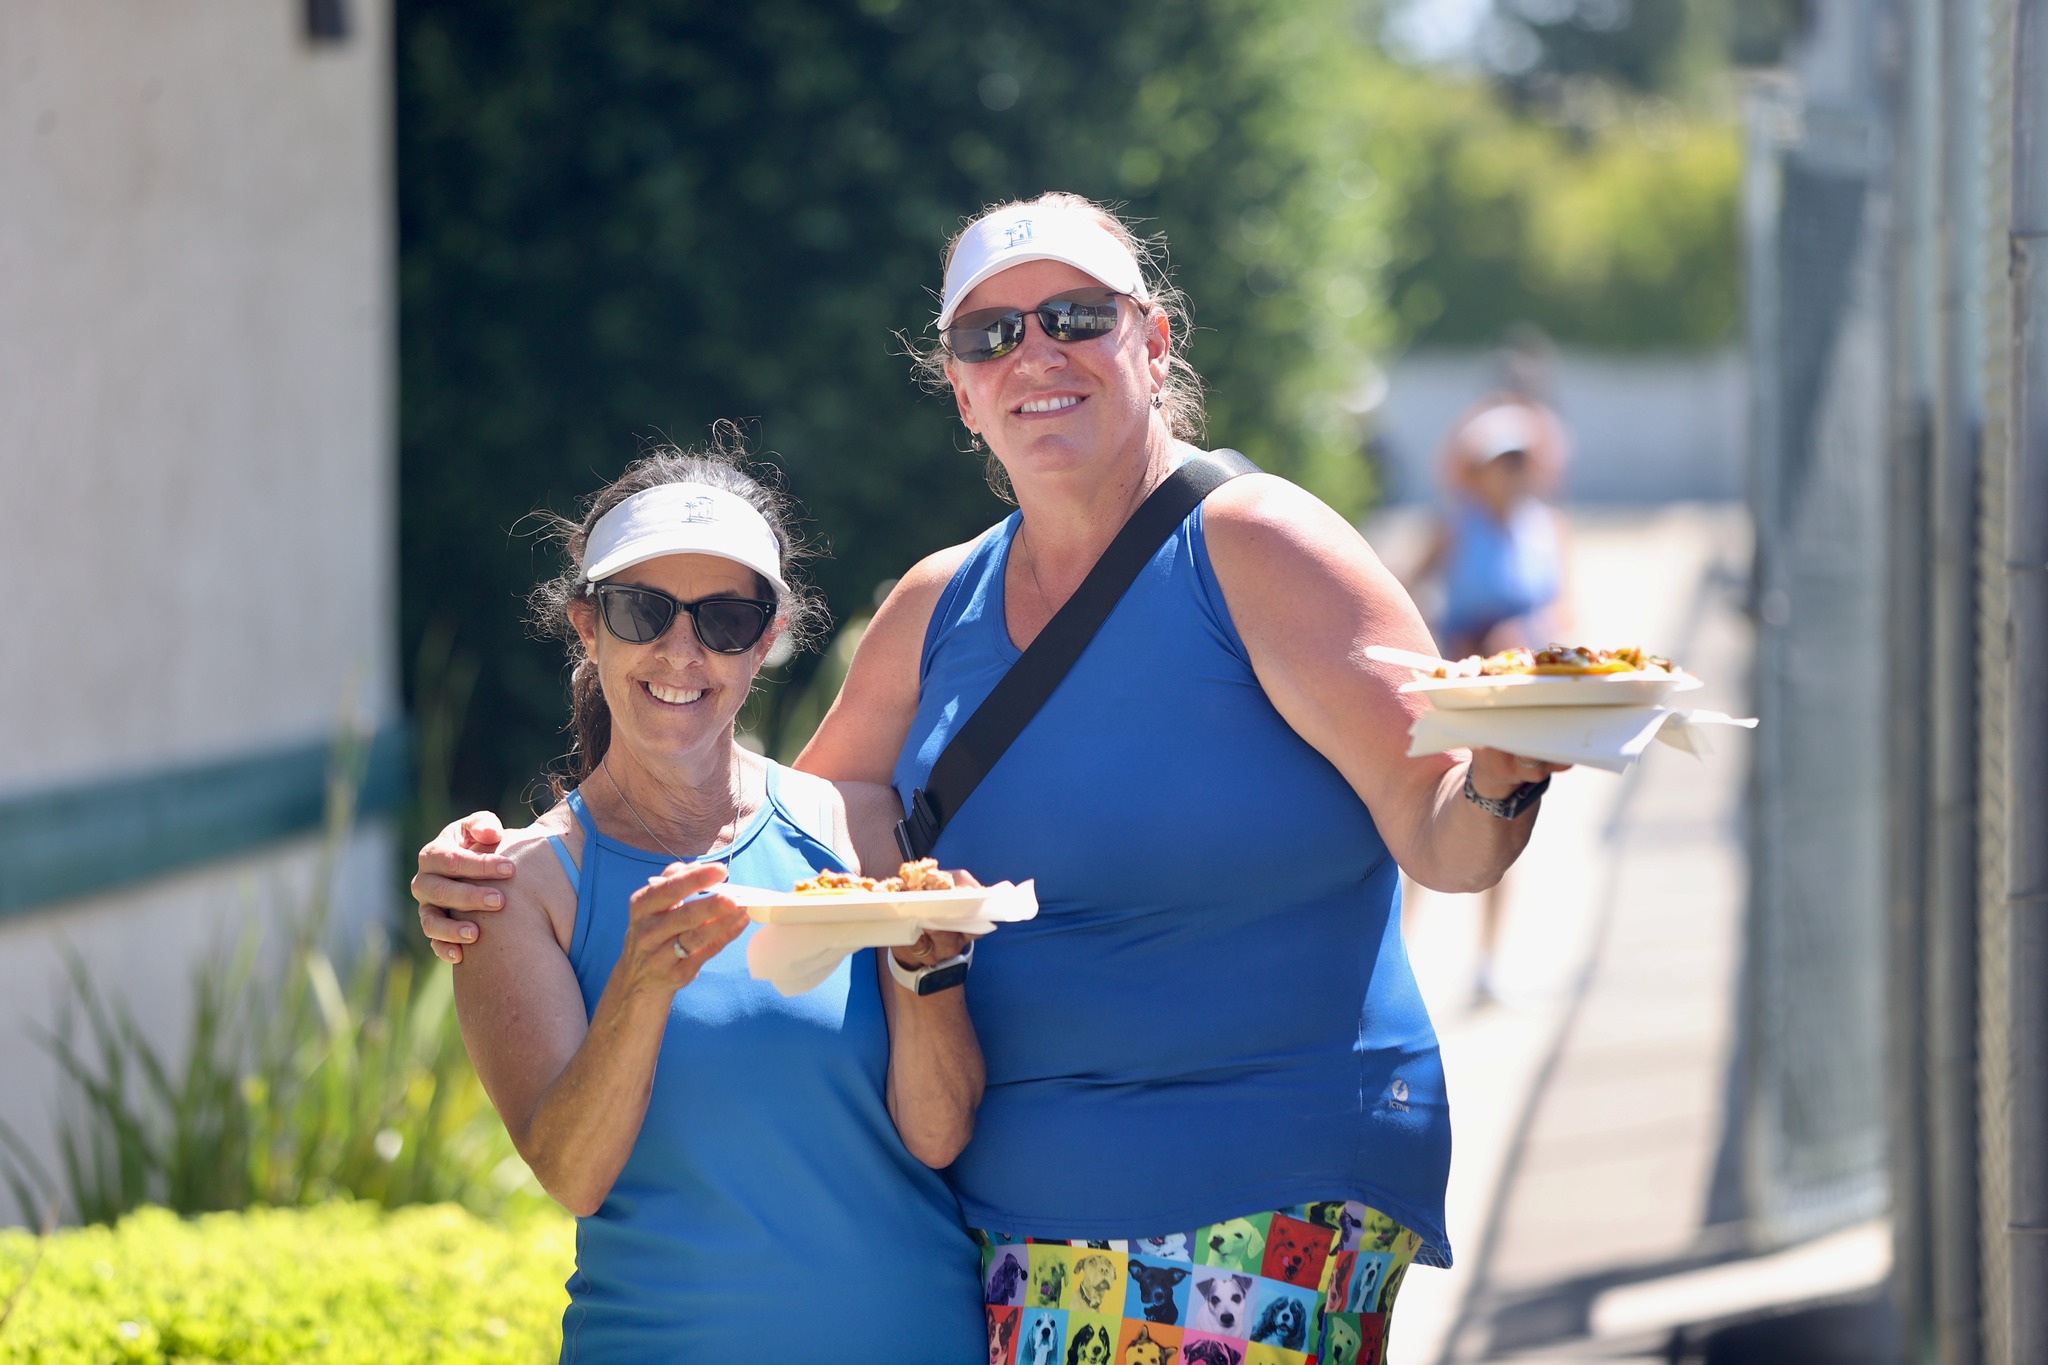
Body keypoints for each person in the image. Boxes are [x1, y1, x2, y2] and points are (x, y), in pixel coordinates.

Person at [416, 195, 1570, 1365]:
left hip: (1256, 1184)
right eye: (989, 336)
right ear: (959, 389)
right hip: (1016, 1232)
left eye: (1074, 317)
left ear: (1153, 341)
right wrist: (495, 872)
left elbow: (1443, 839)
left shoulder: (1258, 546)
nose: (1034, 355)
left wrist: (1502, 778)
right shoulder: (934, 607)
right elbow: (794, 831)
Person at [440, 443, 985, 1361]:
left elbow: (936, 1135)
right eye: (643, 611)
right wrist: (641, 983)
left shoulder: (857, 828)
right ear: (588, 625)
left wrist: (931, 968)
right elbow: (572, 1172)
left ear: (765, 639)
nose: (681, 653)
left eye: (725, 619)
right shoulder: (520, 887)